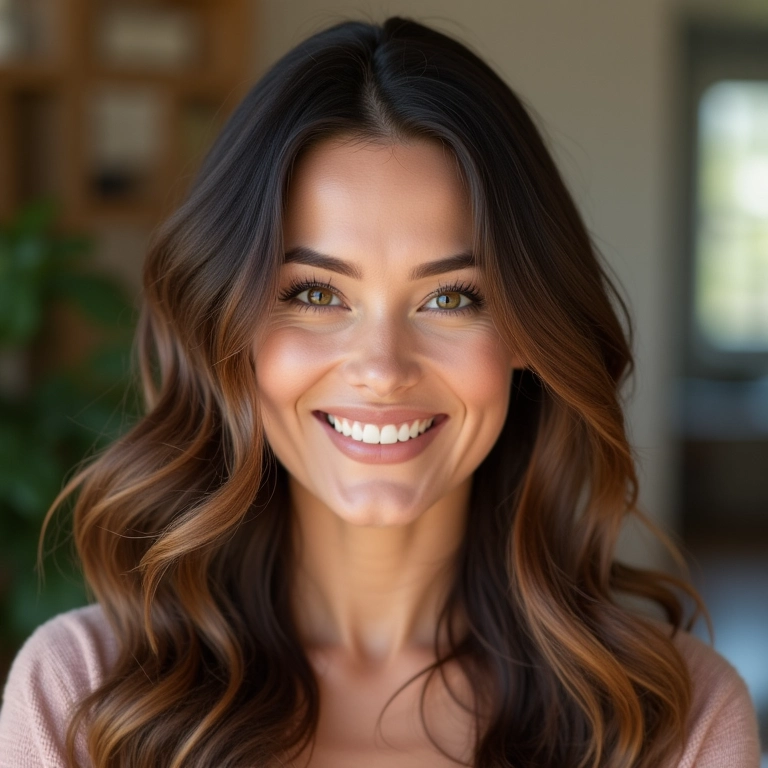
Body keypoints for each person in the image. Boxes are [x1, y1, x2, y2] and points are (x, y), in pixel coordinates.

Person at [0, 16, 760, 768]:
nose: (382, 366)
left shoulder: (673, 722)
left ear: (530, 332)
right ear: (226, 328)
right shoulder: (85, 698)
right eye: (315, 293)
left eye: (452, 298)